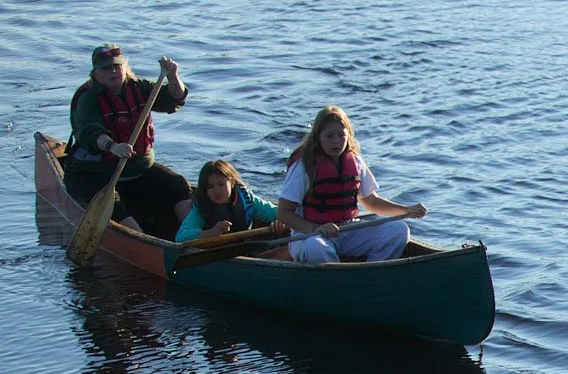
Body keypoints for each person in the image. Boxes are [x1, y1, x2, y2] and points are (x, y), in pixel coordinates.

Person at [64, 44, 193, 240]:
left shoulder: (139, 88)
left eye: (117, 66)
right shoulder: (88, 99)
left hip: (137, 170)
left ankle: (193, 235)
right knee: (112, 205)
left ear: (125, 67)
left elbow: (174, 98)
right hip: (95, 172)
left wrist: (173, 75)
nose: (114, 71)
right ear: (95, 73)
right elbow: (90, 132)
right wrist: (113, 147)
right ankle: (142, 242)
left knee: (178, 186)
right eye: (106, 68)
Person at [275, 107, 425, 264]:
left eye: (341, 135)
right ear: (317, 137)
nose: (336, 141)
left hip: (347, 230)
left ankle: (372, 273)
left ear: (348, 136)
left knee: (399, 230)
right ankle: (337, 280)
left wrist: (406, 210)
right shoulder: (304, 166)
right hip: (311, 235)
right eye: (329, 136)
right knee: (316, 248)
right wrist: (314, 228)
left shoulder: (355, 161)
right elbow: (284, 213)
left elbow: (372, 202)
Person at [174, 160, 284, 244]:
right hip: (213, 252)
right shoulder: (201, 208)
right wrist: (211, 233)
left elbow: (274, 212)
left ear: (231, 182)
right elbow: (181, 237)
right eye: (210, 187)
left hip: (244, 247)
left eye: (221, 184)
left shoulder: (247, 198)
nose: (216, 191)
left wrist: (281, 221)